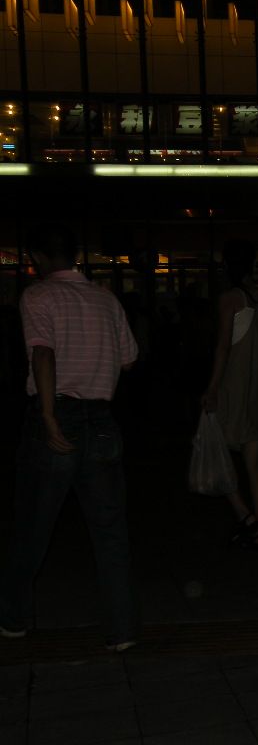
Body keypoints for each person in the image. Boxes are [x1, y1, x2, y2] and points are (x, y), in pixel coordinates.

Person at [0, 223, 139, 651]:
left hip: (57, 412)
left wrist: (48, 415)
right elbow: (129, 360)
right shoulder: (106, 299)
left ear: (37, 257)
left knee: (33, 526)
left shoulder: (38, 296)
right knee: (110, 531)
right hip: (101, 419)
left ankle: (13, 618)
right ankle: (122, 630)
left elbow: (42, 352)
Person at [201, 239, 258, 550]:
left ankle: (246, 516)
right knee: (255, 464)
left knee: (215, 453)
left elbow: (223, 347)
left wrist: (211, 388)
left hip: (234, 387)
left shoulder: (230, 299)